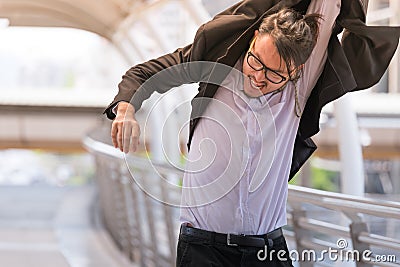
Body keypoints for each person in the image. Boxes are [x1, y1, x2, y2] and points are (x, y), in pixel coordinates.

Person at [104, 0, 400, 266]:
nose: (259, 77)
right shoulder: (215, 65)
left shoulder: (299, 90)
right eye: (255, 61)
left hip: (268, 252)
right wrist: (127, 109)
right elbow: (142, 74)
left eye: (274, 74)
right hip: (203, 251)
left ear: (297, 71)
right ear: (255, 37)